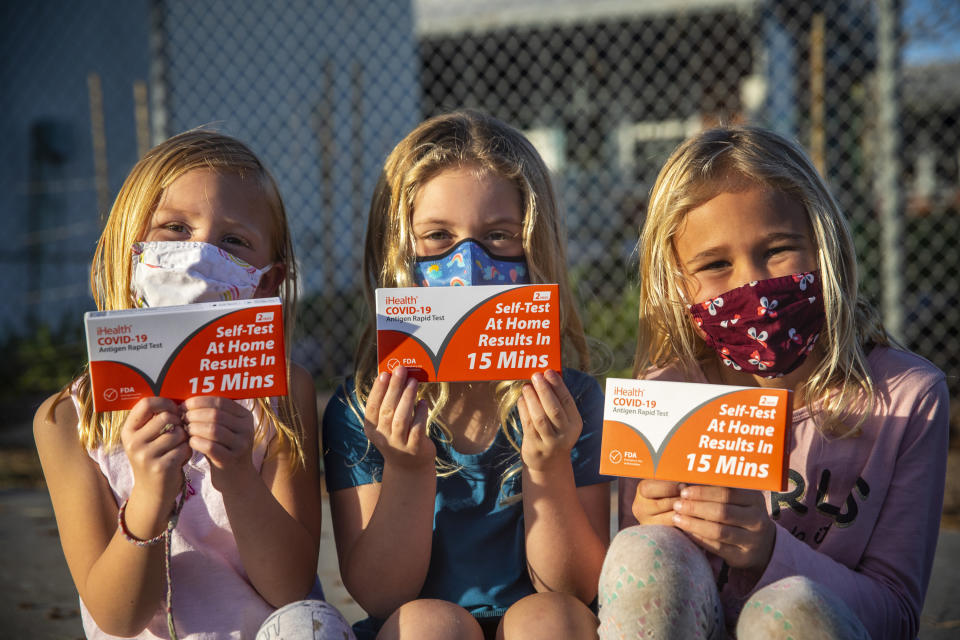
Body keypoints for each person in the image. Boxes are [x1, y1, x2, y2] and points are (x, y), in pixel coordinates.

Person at [597, 126, 949, 639]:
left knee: (788, 608)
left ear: (825, 247)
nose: (752, 287)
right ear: (675, 283)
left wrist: (769, 552)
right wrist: (651, 525)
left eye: (779, 249)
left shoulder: (910, 397)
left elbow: (896, 615)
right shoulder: (666, 395)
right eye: (716, 264)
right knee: (643, 550)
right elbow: (642, 592)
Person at [33, 130, 353, 639]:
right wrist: (151, 493)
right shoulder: (71, 419)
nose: (199, 254)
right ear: (128, 253)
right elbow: (118, 616)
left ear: (267, 282)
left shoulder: (280, 393)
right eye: (175, 228)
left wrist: (237, 474)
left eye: (233, 241)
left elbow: (291, 588)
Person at [322, 110, 610, 640]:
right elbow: (382, 597)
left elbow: (576, 590)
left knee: (553, 621)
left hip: (539, 621)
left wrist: (548, 467)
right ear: (397, 254)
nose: (469, 262)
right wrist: (407, 471)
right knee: (429, 626)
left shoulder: (572, 399)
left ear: (534, 246)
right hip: (421, 627)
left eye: (499, 236)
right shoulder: (361, 408)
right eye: (437, 236)